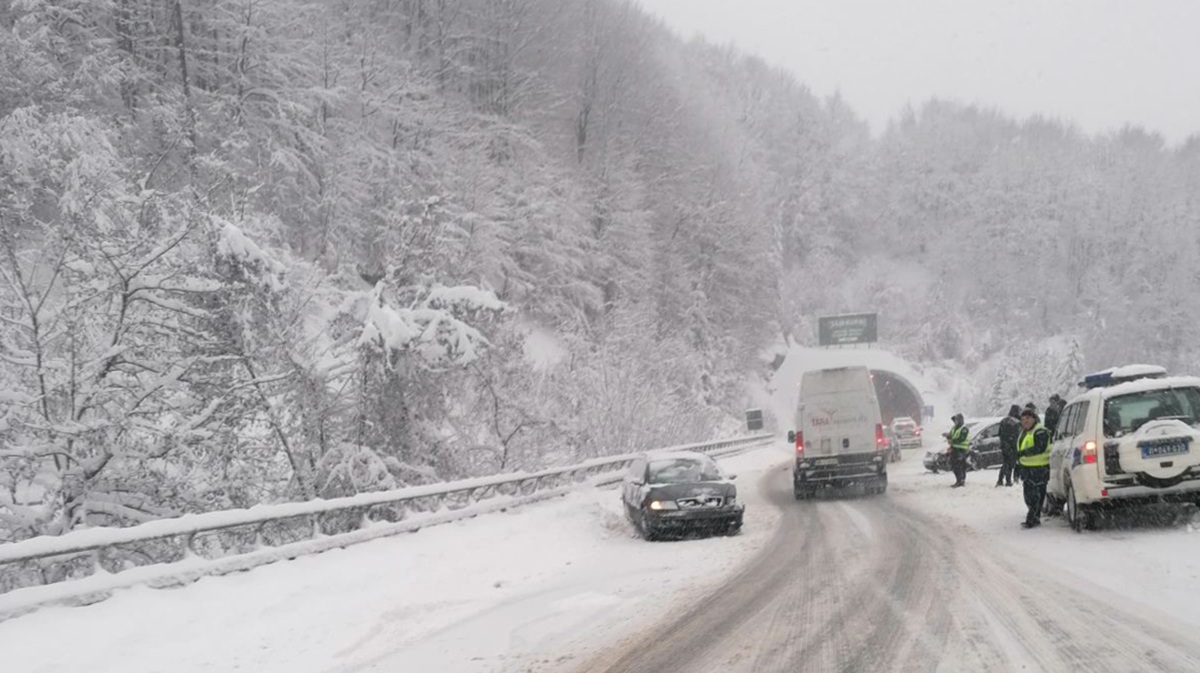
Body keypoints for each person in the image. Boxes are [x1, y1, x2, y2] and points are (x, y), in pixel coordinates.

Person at [1016, 408, 1051, 529]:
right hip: (1027, 468)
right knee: (1028, 495)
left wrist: (1023, 453)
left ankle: (1032, 518)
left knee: (1035, 496)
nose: (1025, 421)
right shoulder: (1024, 432)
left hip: (1039, 468)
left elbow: (1039, 448)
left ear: (1034, 419)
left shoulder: (1040, 431)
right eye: (1023, 419)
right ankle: (1034, 516)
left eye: (1028, 419)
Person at [996, 404, 1021, 488]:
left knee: (1005, 463)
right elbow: (1018, 435)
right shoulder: (1016, 422)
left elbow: (1000, 434)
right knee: (1011, 464)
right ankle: (1008, 481)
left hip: (1004, 445)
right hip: (1012, 445)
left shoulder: (1004, 420)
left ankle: (1000, 479)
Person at [946, 413, 970, 488]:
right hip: (954, 449)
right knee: (954, 466)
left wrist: (952, 441)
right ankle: (959, 480)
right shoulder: (954, 428)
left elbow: (961, 438)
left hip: (961, 450)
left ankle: (961, 481)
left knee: (959, 466)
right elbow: (950, 435)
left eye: (956, 420)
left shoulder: (964, 428)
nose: (955, 422)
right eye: (955, 420)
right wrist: (947, 436)